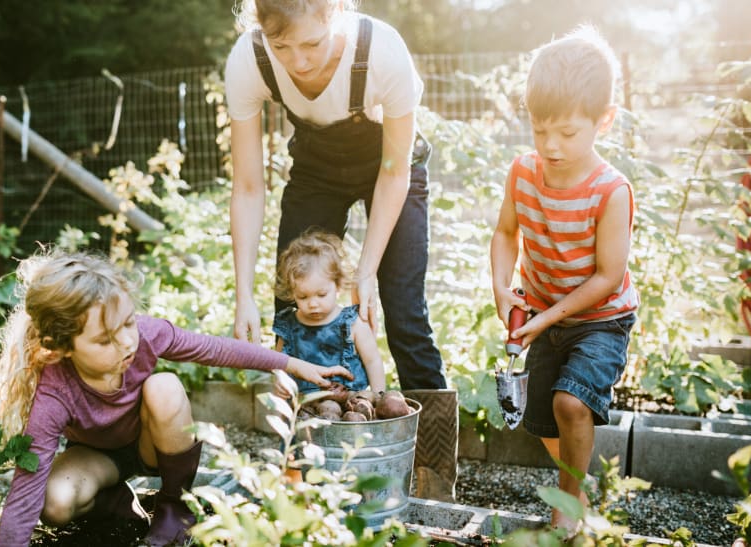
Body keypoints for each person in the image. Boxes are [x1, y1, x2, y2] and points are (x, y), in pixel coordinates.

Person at [225, 0, 458, 501]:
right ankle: (305, 465)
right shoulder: (249, 59)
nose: (299, 61)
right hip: (317, 169)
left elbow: (395, 171)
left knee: (402, 311)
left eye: (311, 43)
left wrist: (366, 272)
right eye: (281, 45)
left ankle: (432, 477)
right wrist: (243, 292)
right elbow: (247, 186)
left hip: (393, 169)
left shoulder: (382, 51)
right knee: (292, 305)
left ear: (337, 16)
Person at [0, 249, 352, 547]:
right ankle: (118, 506)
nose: (127, 343)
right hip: (99, 458)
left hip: (153, 441)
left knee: (163, 386)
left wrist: (294, 365)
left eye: (128, 324)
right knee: (54, 503)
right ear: (61, 347)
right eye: (105, 340)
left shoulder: (146, 335)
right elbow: (24, 497)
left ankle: (174, 507)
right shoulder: (53, 392)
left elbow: (217, 350)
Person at [489, 25, 639, 533]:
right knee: (541, 420)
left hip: (600, 317)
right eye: (539, 129)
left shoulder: (610, 191)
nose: (550, 146)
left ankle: (568, 511)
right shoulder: (523, 173)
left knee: (570, 402)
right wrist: (500, 285)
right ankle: (581, 486)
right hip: (545, 312)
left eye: (568, 133)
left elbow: (606, 277)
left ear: (604, 121)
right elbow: (507, 234)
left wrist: (547, 316)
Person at [273, 230, 385, 395]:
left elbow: (372, 361)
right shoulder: (289, 325)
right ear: (292, 293)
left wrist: (379, 397)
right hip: (305, 408)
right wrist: (279, 382)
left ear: (338, 285)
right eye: (302, 297)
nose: (313, 304)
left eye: (321, 295)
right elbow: (279, 362)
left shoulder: (353, 323)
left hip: (350, 406)